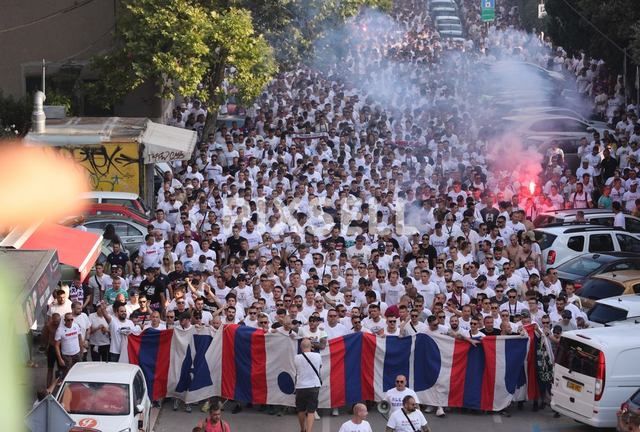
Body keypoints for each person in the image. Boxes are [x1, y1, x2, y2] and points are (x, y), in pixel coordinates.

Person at [295, 338, 322, 432]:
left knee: (301, 409)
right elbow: (320, 367)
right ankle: (309, 430)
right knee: (311, 411)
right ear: (311, 346)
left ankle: (302, 429)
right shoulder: (318, 356)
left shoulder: (297, 357)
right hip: (314, 385)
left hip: (300, 386)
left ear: (301, 347)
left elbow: (296, 369)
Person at [54, 312, 84, 378]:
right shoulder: (60, 330)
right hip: (67, 356)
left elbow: (80, 338)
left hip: (77, 353)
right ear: (64, 320)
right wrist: (60, 359)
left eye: (71, 319)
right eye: (68, 320)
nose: (70, 321)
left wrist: (81, 351)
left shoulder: (76, 326)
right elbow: (56, 345)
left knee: (79, 372)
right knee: (68, 374)